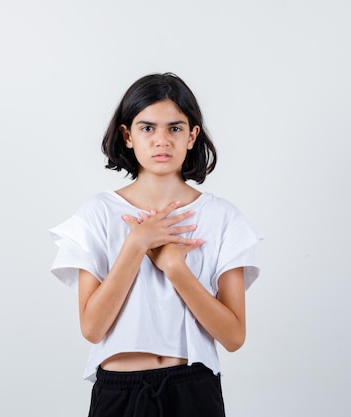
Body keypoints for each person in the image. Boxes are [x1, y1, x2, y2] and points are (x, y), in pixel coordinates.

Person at [49, 72, 263, 417]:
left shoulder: (222, 217)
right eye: (147, 128)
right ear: (127, 135)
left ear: (192, 135)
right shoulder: (97, 213)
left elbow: (234, 336)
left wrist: (176, 269)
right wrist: (135, 245)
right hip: (120, 391)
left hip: (194, 387)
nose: (161, 140)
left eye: (175, 128)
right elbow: (92, 328)